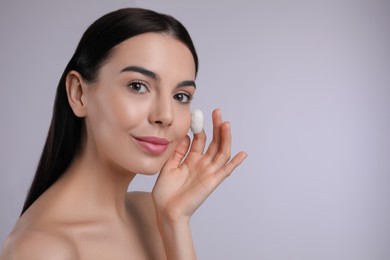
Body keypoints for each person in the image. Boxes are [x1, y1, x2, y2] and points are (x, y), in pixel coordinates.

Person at [0, 8, 247, 259]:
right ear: (78, 93)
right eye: (138, 86)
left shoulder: (152, 212)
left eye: (180, 96)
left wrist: (175, 221)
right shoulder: (42, 249)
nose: (166, 115)